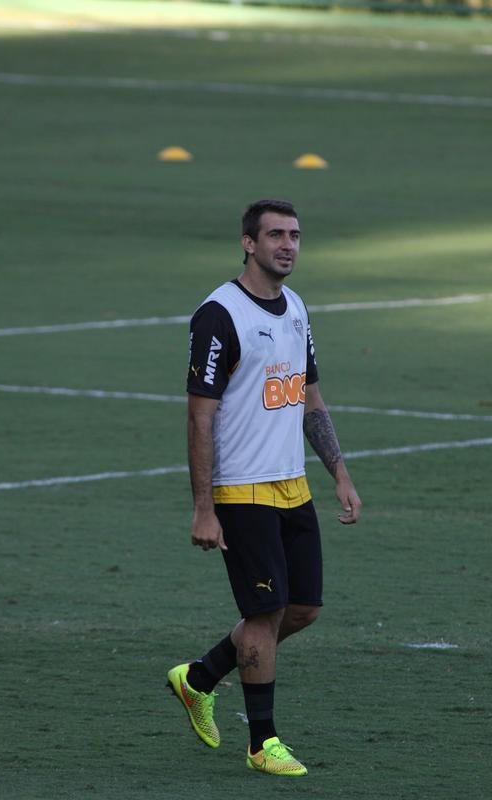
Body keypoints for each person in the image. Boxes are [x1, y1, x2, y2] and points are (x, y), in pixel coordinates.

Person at [167, 198, 361, 776]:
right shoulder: (219, 315)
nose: (288, 245)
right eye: (275, 235)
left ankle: (198, 679)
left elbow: (310, 398)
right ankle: (263, 744)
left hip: (292, 485)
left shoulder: (297, 306)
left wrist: (340, 474)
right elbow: (199, 416)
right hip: (241, 489)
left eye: (295, 235)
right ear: (248, 243)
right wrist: (204, 507)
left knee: (301, 609)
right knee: (264, 611)